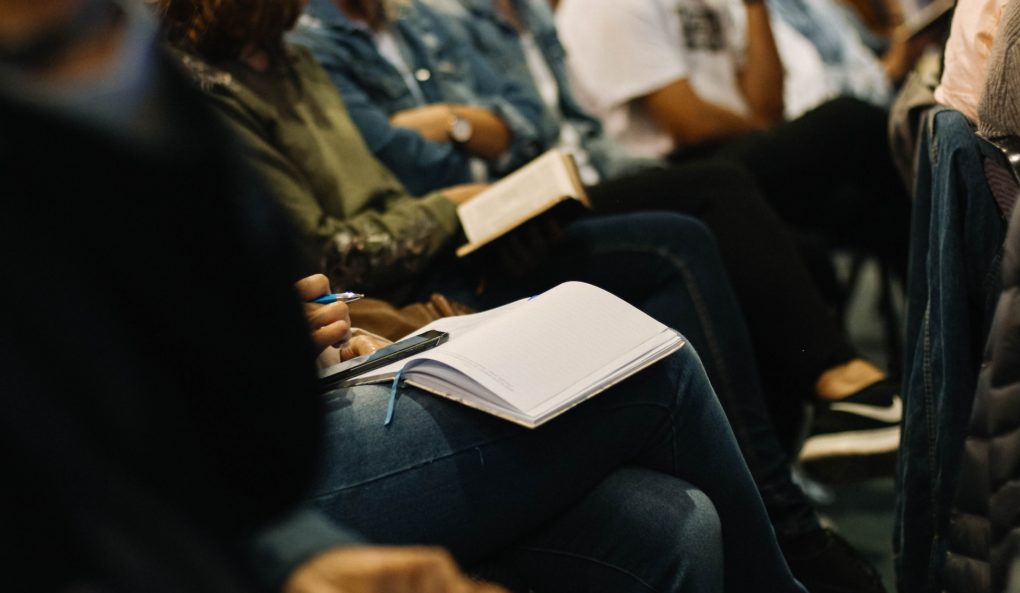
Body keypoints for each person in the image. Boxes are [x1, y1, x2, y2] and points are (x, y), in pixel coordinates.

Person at [160, 1, 887, 592]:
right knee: (652, 350)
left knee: (682, 522)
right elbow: (338, 244)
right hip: (265, 436)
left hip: (345, 349)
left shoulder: (301, 58)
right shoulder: (194, 91)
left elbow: (515, 125)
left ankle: (805, 481)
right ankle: (801, 548)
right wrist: (455, 197)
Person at [0, 1, 500, 592]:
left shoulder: (176, 78)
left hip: (231, 493)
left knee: (628, 508)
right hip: (198, 511)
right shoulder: (187, 85)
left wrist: (294, 554)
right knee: (628, 394)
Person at [554, 0, 912, 281]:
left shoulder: (719, 4)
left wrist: (754, 5)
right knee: (848, 120)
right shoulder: (606, 5)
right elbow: (691, 125)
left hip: (740, 150)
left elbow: (769, 106)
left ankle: (939, 326)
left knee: (860, 204)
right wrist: (758, 124)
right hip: (673, 174)